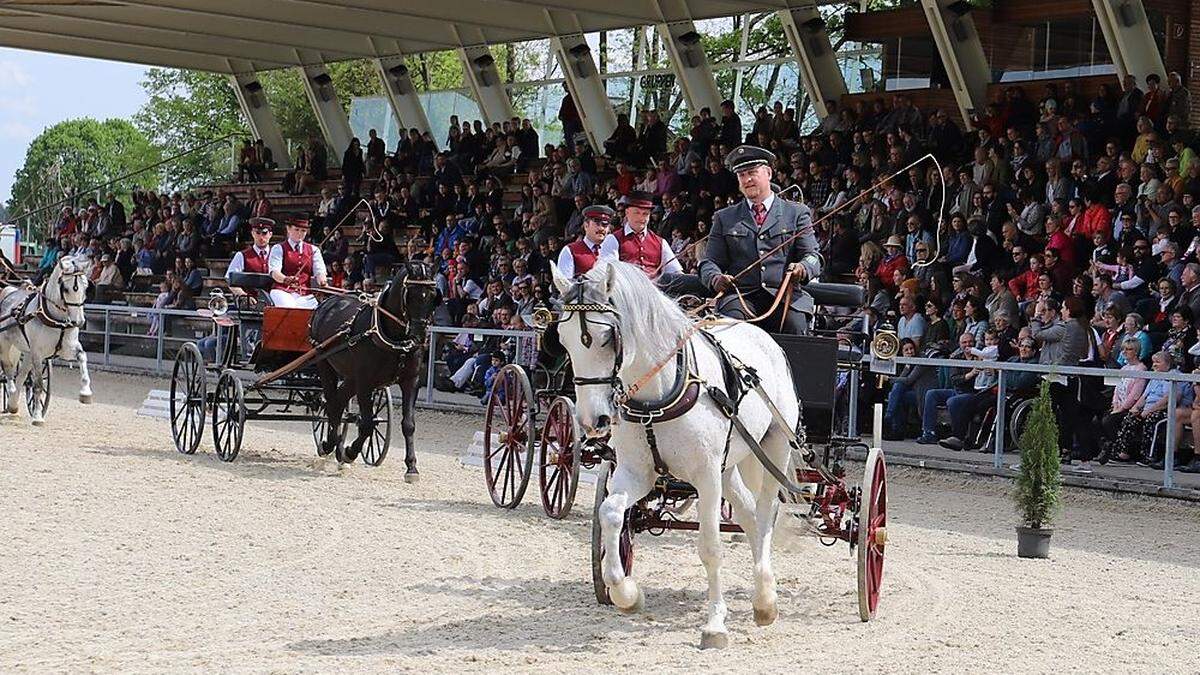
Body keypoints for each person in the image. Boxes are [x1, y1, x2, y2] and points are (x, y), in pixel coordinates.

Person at [699, 145, 822, 334]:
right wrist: (716, 278)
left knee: (796, 329)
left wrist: (803, 268)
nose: (747, 179)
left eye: (752, 172)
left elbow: (813, 256)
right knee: (730, 331)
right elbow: (709, 263)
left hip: (784, 297)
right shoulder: (724, 217)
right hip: (740, 299)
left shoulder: (796, 213)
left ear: (769, 173)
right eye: (741, 175)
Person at [599, 191, 682, 278]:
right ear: (627, 213)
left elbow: (676, 273)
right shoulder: (613, 239)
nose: (641, 218)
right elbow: (608, 272)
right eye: (637, 213)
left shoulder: (660, 242)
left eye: (645, 214)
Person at [267, 218, 327, 309]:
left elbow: (319, 271)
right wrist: (285, 279)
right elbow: (274, 272)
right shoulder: (278, 248)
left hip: (305, 294)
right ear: (288, 229)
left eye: (303, 231)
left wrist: (322, 282)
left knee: (315, 312)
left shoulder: (314, 250)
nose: (300, 233)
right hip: (282, 291)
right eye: (296, 230)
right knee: (289, 308)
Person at [556, 205, 613, 278]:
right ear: (586, 225)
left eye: (605, 225)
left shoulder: (613, 250)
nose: (601, 228)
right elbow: (564, 284)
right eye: (597, 224)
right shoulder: (570, 251)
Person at [226, 219, 274, 302]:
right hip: (249, 302)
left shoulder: (277, 255)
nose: (261, 237)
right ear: (252, 233)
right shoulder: (241, 256)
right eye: (257, 233)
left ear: (270, 234)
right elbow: (230, 280)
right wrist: (243, 295)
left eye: (264, 233)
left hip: (274, 301)